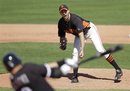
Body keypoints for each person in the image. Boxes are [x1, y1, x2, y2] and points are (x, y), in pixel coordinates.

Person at [57, 4, 123, 83]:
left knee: (100, 50)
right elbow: (62, 35)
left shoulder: (75, 19)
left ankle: (118, 70)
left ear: (68, 11)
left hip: (90, 31)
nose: (64, 13)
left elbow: (81, 35)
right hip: (79, 35)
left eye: (65, 11)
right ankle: (75, 77)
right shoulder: (61, 23)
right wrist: (62, 43)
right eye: (62, 12)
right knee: (75, 53)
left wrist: (82, 49)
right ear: (60, 13)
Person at [2, 52, 78, 91]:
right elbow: (54, 73)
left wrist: (62, 62)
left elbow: (43, 68)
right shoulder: (29, 69)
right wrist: (62, 70)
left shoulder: (13, 80)